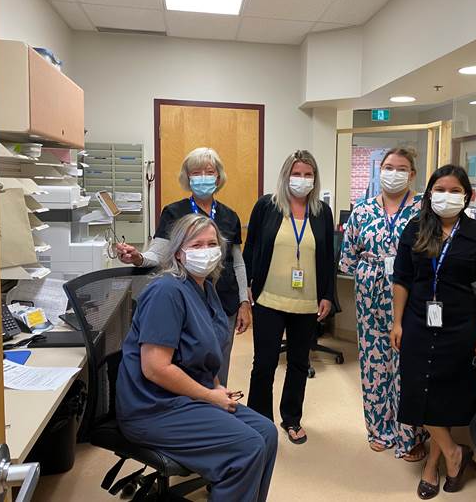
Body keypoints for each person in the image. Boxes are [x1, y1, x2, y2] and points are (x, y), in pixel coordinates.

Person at [115, 214, 277, 502]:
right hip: (153, 408)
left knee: (266, 432)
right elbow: (154, 368)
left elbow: (206, 354)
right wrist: (209, 396)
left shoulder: (206, 288)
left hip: (190, 397)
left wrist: (215, 386)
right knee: (247, 446)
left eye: (212, 244)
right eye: (197, 244)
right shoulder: (166, 291)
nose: (206, 251)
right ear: (178, 252)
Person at [391, 164, 476, 500]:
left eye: (455, 191)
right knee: (416, 391)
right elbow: (402, 279)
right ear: (429, 194)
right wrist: (396, 322)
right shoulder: (415, 229)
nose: (446, 196)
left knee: (445, 394)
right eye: (440, 190)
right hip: (418, 322)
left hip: (460, 327)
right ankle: (453, 452)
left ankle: (431, 465)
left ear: (469, 196)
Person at [116, 147, 251, 386]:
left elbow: (237, 263)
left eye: (209, 172)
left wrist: (244, 302)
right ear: (187, 177)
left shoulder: (230, 216)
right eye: (196, 172)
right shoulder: (173, 212)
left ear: (218, 177)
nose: (203, 177)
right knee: (188, 364)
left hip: (225, 301)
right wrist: (138, 258)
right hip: (188, 302)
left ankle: (218, 409)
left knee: (221, 365)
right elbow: (157, 255)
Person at [339, 147, 428, 461]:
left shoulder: (423, 210)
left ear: (412, 174)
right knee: (374, 365)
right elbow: (348, 259)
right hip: (370, 298)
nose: (393, 173)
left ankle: (410, 436)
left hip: (410, 294)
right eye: (388, 167)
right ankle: (379, 430)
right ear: (380, 170)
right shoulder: (362, 210)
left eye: (401, 168)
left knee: (407, 366)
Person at [243, 150, 335, 445]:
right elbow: (250, 248)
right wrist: (245, 286)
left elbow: (327, 259)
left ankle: (292, 418)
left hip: (307, 303)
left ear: (315, 179)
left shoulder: (322, 212)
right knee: (264, 364)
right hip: (269, 299)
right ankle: (259, 422)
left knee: (298, 363)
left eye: (308, 175)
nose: (302, 180)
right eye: (297, 174)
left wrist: (328, 296)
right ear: (286, 176)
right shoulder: (266, 207)